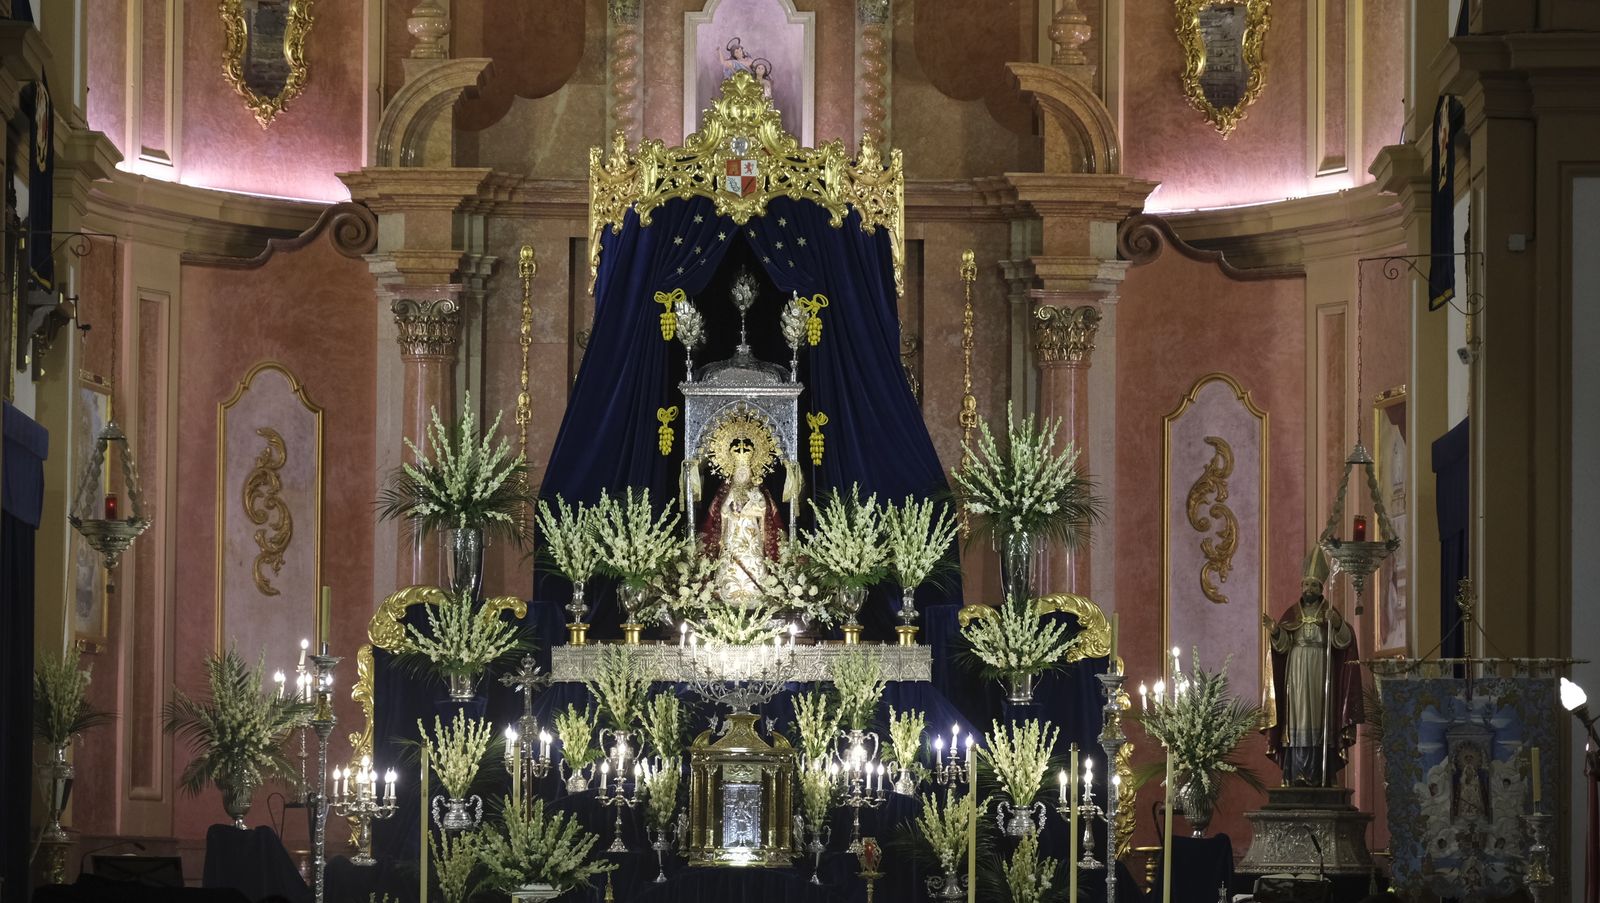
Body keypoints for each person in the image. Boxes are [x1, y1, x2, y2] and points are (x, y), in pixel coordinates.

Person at [1261, 547, 1363, 786]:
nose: (1309, 590)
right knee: (1297, 718)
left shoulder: (1329, 613)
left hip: (1320, 669)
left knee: (1319, 716)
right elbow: (1283, 647)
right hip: (1296, 671)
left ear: (1321, 589)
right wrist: (1276, 631)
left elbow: (1344, 642)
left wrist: (1338, 624)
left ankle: (1321, 773)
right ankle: (1294, 772)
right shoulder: (1291, 614)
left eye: (1314, 586)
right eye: (1305, 585)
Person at [699, 429, 783, 605]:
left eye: (745, 472)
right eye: (739, 472)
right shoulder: (728, 491)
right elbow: (721, 510)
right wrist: (730, 512)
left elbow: (763, 510)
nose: (742, 475)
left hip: (752, 535)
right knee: (729, 563)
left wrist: (745, 510)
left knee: (754, 561)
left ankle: (757, 595)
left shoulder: (756, 491)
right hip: (731, 536)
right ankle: (725, 594)